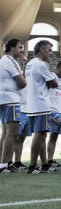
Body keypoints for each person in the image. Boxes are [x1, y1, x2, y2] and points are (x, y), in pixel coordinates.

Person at [25, 40, 58, 174]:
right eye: (49, 50)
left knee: (42, 134)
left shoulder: (29, 64)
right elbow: (55, 83)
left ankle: (44, 164)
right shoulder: (41, 65)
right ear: (42, 50)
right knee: (39, 135)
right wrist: (50, 78)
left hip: (32, 104)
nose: (51, 53)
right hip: (41, 104)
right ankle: (32, 165)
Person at [0, 38, 27, 173]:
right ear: (12, 48)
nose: (21, 50)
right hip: (10, 99)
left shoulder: (4, 60)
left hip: (5, 99)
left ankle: (2, 163)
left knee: (5, 133)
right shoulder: (9, 61)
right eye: (20, 47)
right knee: (12, 133)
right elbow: (23, 83)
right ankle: (5, 164)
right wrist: (25, 65)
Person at [47, 61, 61, 170]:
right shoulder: (51, 77)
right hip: (52, 111)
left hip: (59, 110)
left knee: (53, 137)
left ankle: (50, 160)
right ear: (59, 68)